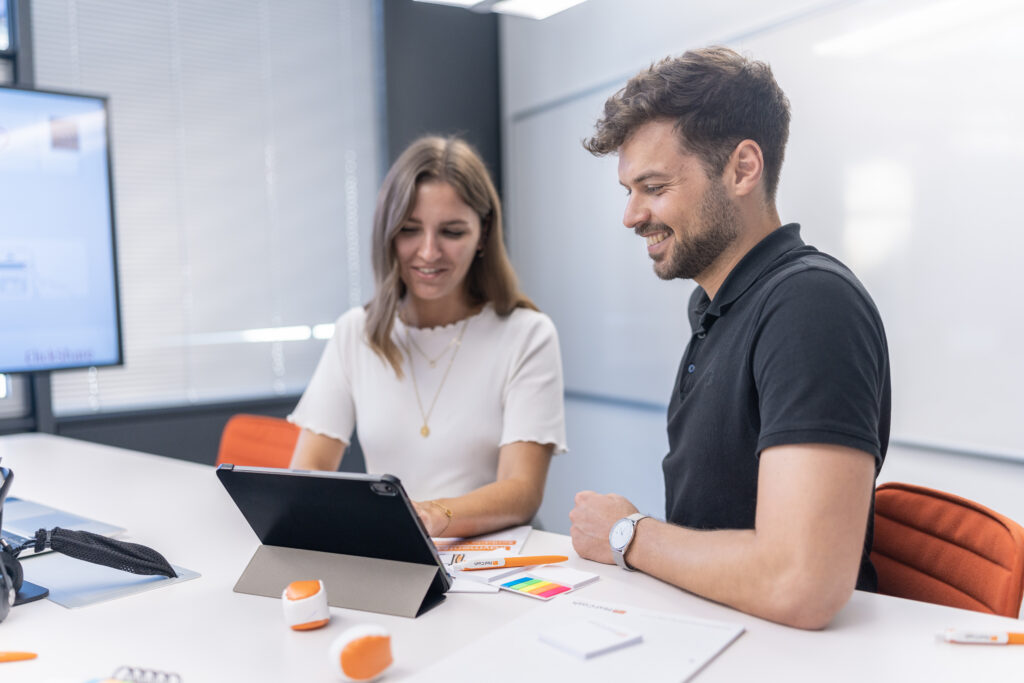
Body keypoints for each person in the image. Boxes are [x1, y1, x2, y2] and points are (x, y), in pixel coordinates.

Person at [569, 47, 890, 630]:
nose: (632, 215)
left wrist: (627, 534)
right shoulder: (715, 306)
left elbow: (803, 582)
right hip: (716, 631)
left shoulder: (810, 306)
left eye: (655, 186)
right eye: (628, 191)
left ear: (743, 168)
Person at [289, 136, 566, 538]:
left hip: (490, 558)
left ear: (483, 232)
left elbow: (521, 491)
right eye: (410, 230)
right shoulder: (355, 332)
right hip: (392, 549)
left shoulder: (527, 334)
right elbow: (309, 471)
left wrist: (427, 516)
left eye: (452, 231)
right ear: (388, 233)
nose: (429, 252)